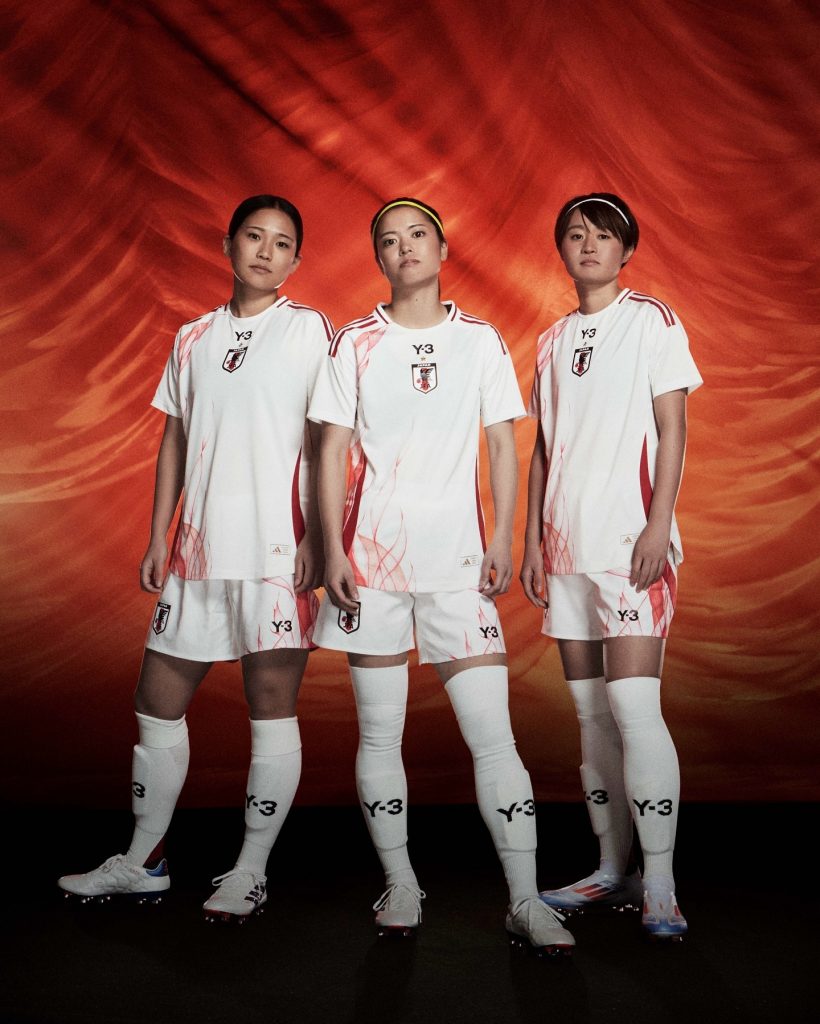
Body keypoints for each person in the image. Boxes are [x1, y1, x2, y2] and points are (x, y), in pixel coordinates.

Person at [308, 197, 574, 956]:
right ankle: (400, 882)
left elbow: (501, 445)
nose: (404, 248)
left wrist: (500, 536)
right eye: (388, 241)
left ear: (442, 245)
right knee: (379, 734)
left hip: (458, 566)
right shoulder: (354, 343)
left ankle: (525, 900)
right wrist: (332, 551)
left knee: (494, 739)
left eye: (416, 234)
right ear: (379, 259)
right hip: (372, 567)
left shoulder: (479, 340)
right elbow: (329, 453)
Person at [58, 195, 333, 921]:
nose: (267, 252)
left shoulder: (307, 331)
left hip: (278, 553)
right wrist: (159, 535)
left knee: (269, 709)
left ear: (296, 261)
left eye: (282, 243)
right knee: (157, 701)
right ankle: (143, 860)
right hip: (198, 552)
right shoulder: (193, 337)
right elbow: (174, 440)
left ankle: (248, 869)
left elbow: (327, 439)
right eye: (254, 237)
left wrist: (317, 538)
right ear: (228, 244)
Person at [520, 193, 702, 941]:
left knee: (633, 707)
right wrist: (532, 539)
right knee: (591, 715)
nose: (587, 244)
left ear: (626, 250)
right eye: (575, 233)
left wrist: (659, 523)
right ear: (561, 249)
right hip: (565, 550)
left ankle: (659, 881)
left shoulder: (652, 321)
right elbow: (542, 446)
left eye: (603, 235)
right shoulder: (551, 340)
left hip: (631, 546)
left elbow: (673, 425)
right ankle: (610, 868)